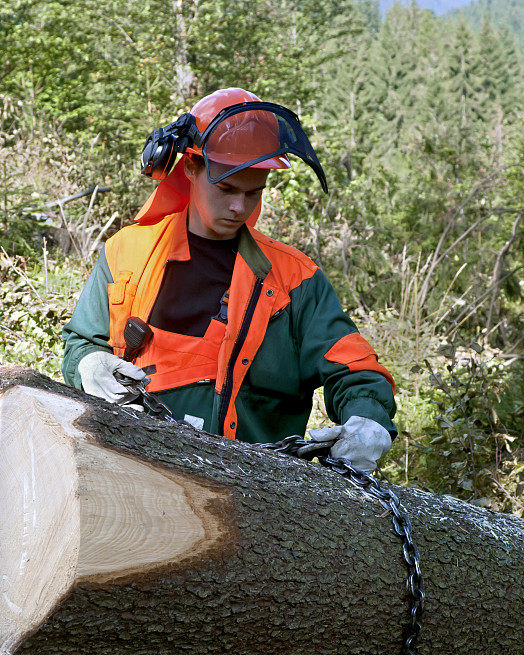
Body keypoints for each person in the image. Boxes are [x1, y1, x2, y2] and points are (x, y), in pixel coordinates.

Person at [62, 87, 396, 472]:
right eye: (226, 189)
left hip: (258, 495)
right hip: (134, 474)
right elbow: (82, 343)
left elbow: (356, 370)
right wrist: (89, 364)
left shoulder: (294, 279)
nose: (239, 207)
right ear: (191, 168)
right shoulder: (128, 254)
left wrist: (368, 419)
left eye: (254, 193)